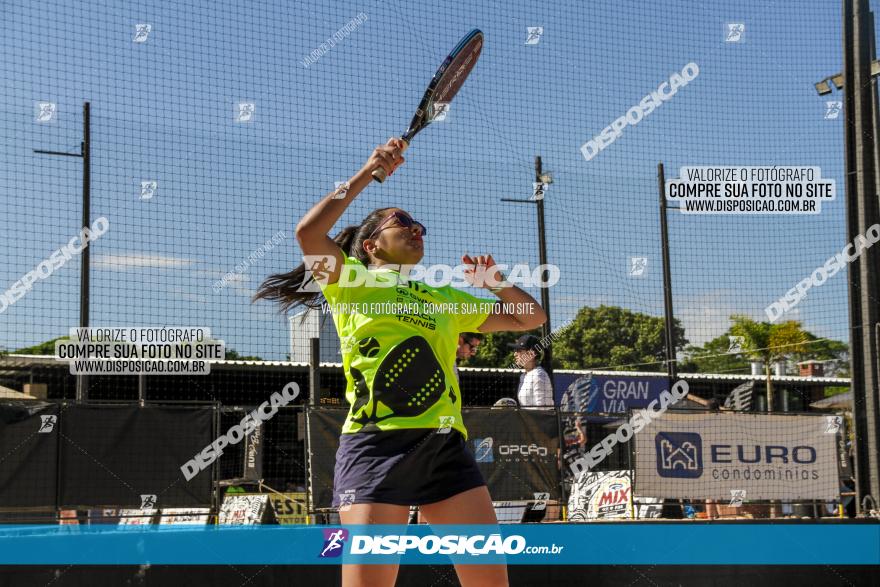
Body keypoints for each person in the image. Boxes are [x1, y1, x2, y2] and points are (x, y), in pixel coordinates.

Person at [255, 138, 547, 587]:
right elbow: (309, 235)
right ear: (371, 245)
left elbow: (532, 317)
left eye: (420, 226)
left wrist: (496, 282)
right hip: (376, 447)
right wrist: (366, 173)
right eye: (404, 222)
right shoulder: (352, 281)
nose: (417, 230)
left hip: (445, 448)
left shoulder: (444, 298)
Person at [509, 334, 554, 408]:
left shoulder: (539, 375)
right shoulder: (523, 376)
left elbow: (544, 411)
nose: (515, 354)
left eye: (519, 350)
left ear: (531, 353)